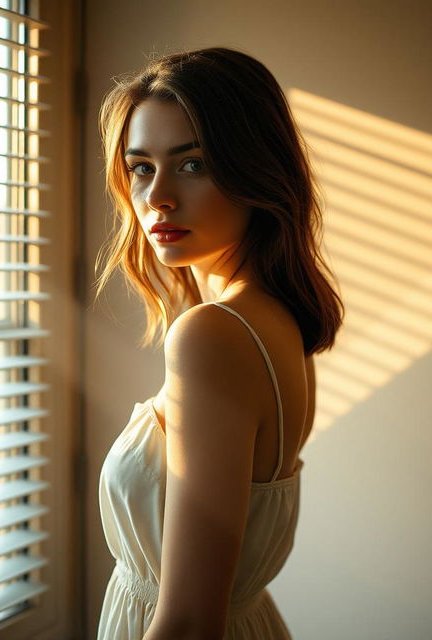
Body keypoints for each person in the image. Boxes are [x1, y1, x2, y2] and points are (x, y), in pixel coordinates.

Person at [94, 46, 344, 640]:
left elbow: (187, 622)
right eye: (140, 167)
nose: (157, 198)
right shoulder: (272, 318)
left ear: (255, 169)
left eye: (193, 164)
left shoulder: (214, 335)